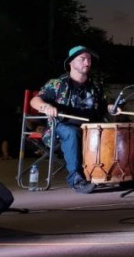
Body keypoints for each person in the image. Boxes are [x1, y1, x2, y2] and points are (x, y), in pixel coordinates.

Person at [30, 45, 117, 194]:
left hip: (90, 128)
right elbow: (35, 101)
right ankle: (76, 180)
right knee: (71, 132)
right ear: (71, 63)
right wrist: (45, 107)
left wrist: (111, 108)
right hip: (61, 127)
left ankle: (117, 175)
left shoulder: (94, 86)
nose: (87, 63)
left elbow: (102, 107)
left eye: (89, 59)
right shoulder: (57, 84)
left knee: (114, 130)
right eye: (82, 59)